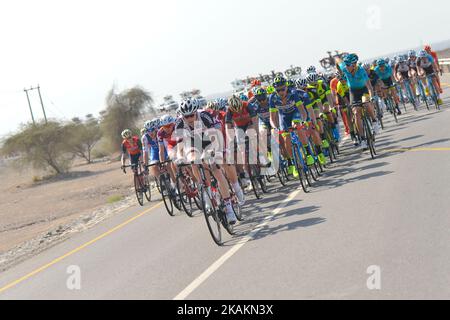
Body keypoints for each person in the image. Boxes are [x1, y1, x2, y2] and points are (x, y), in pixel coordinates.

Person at [175, 98, 238, 224]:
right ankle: (204, 188)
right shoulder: (179, 124)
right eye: (186, 116)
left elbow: (217, 134)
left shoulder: (204, 116)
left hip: (210, 141)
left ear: (196, 112)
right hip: (193, 144)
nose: (189, 119)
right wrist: (180, 157)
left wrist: (218, 151)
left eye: (191, 115)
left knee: (216, 170)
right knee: (193, 161)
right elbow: (180, 144)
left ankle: (229, 207)